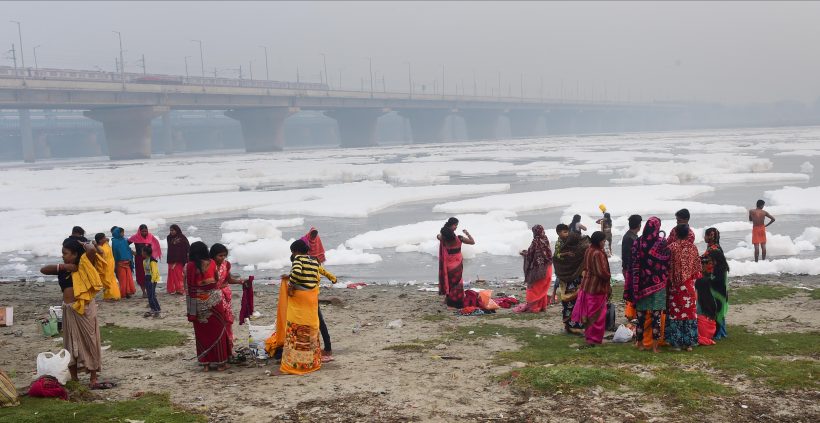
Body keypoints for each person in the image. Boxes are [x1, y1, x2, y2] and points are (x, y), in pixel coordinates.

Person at [39, 238, 113, 390]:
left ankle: (93, 378)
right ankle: (74, 378)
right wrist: (66, 266)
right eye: (62, 253)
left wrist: (83, 245)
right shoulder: (65, 268)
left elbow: (92, 250)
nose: (63, 255)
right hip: (68, 309)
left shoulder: (86, 263)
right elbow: (44, 270)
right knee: (70, 343)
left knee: (90, 341)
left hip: (84, 309)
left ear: (75, 254)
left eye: (65, 253)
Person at [278, 239, 337, 375]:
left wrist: (291, 284)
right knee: (312, 325)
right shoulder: (314, 260)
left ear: (295, 251)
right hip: (312, 297)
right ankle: (313, 357)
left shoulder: (298, 259)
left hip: (300, 297)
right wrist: (333, 279)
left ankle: (297, 361)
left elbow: (297, 272)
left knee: (297, 325)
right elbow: (323, 271)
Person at [186, 241, 231, 371]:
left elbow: (190, 287)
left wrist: (191, 311)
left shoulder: (190, 266)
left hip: (199, 302)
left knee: (202, 334)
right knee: (218, 332)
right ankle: (221, 363)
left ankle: (205, 364)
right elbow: (216, 280)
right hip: (215, 301)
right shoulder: (211, 263)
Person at [630, 216, 670, 353]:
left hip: (641, 285)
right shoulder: (662, 242)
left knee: (640, 317)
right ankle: (654, 347)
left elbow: (633, 263)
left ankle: (639, 344)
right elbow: (667, 261)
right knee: (656, 317)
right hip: (658, 286)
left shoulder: (637, 242)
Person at [571, 231, 611, 347]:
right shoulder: (597, 253)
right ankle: (595, 339)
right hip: (596, 287)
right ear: (599, 242)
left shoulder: (589, 249)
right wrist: (608, 276)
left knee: (589, 313)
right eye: (603, 241)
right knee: (597, 315)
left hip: (587, 285)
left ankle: (589, 337)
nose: (604, 243)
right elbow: (601, 272)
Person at [665, 225, 702, 351]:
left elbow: (667, 268)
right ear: (688, 234)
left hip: (675, 287)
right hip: (689, 286)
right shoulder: (693, 248)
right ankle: (689, 343)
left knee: (676, 314)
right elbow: (697, 269)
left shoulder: (671, 248)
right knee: (690, 313)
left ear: (675, 234)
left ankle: (676, 344)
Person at [552, 224, 587, 334]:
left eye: (566, 232)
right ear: (558, 233)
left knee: (578, 302)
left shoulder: (576, 245)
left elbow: (582, 250)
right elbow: (556, 257)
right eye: (563, 232)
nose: (566, 234)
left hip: (576, 279)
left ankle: (577, 325)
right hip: (565, 278)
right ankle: (568, 325)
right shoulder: (559, 243)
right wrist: (566, 254)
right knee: (568, 303)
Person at [209, 243, 243, 358]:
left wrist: (240, 281)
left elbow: (228, 279)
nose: (222, 258)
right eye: (220, 255)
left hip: (225, 295)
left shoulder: (226, 265)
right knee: (218, 322)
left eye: (224, 255)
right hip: (214, 296)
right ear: (213, 256)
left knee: (227, 322)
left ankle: (229, 348)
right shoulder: (208, 266)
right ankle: (219, 350)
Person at [696, 227, 730, 339]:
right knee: (719, 307)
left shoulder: (712, 250)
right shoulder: (716, 248)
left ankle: (717, 332)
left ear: (710, 236)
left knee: (715, 307)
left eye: (705, 235)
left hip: (715, 284)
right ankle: (721, 331)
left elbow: (703, 263)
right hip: (721, 283)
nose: (704, 237)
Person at [437, 217, 475, 308]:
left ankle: (447, 299)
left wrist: (443, 233)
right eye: (455, 225)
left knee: (449, 281)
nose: (456, 227)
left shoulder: (443, 239)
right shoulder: (459, 238)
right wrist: (467, 233)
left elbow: (438, 236)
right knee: (457, 282)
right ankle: (456, 299)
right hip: (457, 263)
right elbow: (472, 242)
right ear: (451, 225)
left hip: (448, 263)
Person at [517, 225, 553, 313]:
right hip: (548, 268)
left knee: (533, 288)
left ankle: (534, 308)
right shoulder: (545, 240)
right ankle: (542, 307)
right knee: (543, 288)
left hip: (538, 271)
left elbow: (530, 255)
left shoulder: (535, 242)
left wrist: (523, 253)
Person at [128, 224, 162, 298]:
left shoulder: (150, 236)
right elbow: (125, 244)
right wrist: (133, 252)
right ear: (139, 231)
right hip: (139, 259)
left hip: (149, 259)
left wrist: (154, 253)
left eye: (145, 231)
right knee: (141, 275)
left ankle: (152, 291)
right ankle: (144, 292)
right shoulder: (135, 237)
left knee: (151, 274)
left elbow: (156, 244)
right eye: (142, 231)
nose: (144, 233)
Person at [92, 233, 120, 301]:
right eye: (104, 238)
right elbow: (101, 252)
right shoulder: (98, 248)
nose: (106, 238)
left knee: (112, 279)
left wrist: (104, 239)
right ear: (100, 240)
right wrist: (95, 244)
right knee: (107, 281)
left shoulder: (106, 243)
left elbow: (107, 239)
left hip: (111, 265)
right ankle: (109, 296)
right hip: (105, 266)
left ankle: (114, 295)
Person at [110, 227, 135, 299]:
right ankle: (123, 292)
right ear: (118, 233)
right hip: (119, 263)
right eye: (122, 232)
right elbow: (115, 253)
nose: (123, 234)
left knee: (128, 278)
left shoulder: (124, 240)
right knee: (122, 279)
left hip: (128, 262)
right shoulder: (114, 241)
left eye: (123, 232)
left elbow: (127, 249)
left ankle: (128, 292)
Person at [166, 224, 189, 295]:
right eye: (170, 230)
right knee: (172, 274)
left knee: (179, 274)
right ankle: (173, 289)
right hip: (171, 259)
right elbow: (170, 249)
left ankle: (180, 289)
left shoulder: (182, 238)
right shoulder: (169, 237)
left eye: (173, 230)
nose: (171, 232)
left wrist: (187, 257)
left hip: (180, 259)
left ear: (177, 230)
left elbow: (187, 247)